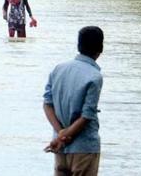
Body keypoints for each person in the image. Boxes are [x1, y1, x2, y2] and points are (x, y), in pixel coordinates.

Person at [43, 27, 105, 176]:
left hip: (60, 147)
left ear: (79, 46)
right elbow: (86, 116)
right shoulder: (95, 76)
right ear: (100, 48)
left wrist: (60, 135)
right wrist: (64, 136)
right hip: (84, 148)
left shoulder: (58, 69)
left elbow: (47, 104)